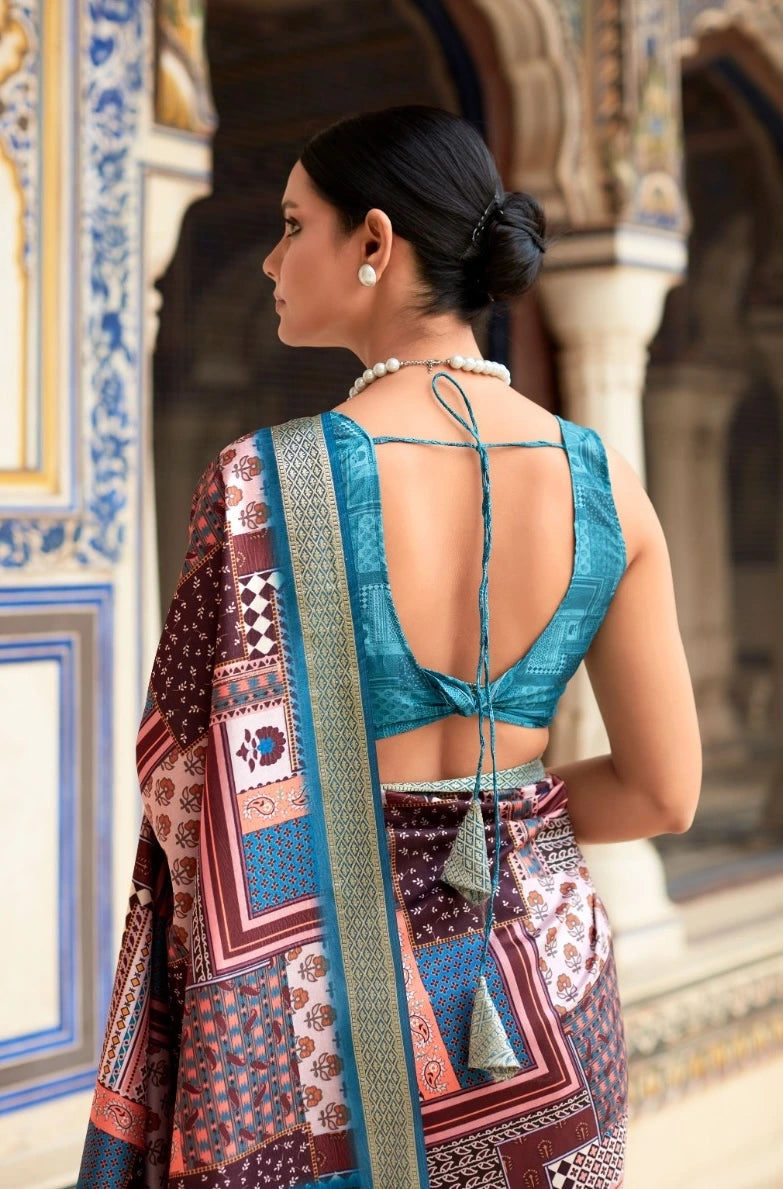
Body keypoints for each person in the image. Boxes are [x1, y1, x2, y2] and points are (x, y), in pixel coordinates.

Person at [77, 105, 701, 1189]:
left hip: (315, 1035)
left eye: (289, 225)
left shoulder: (257, 488)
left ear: (373, 242)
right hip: (547, 1010)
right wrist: (496, 820)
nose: (271, 257)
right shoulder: (609, 489)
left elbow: (189, 801)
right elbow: (662, 795)